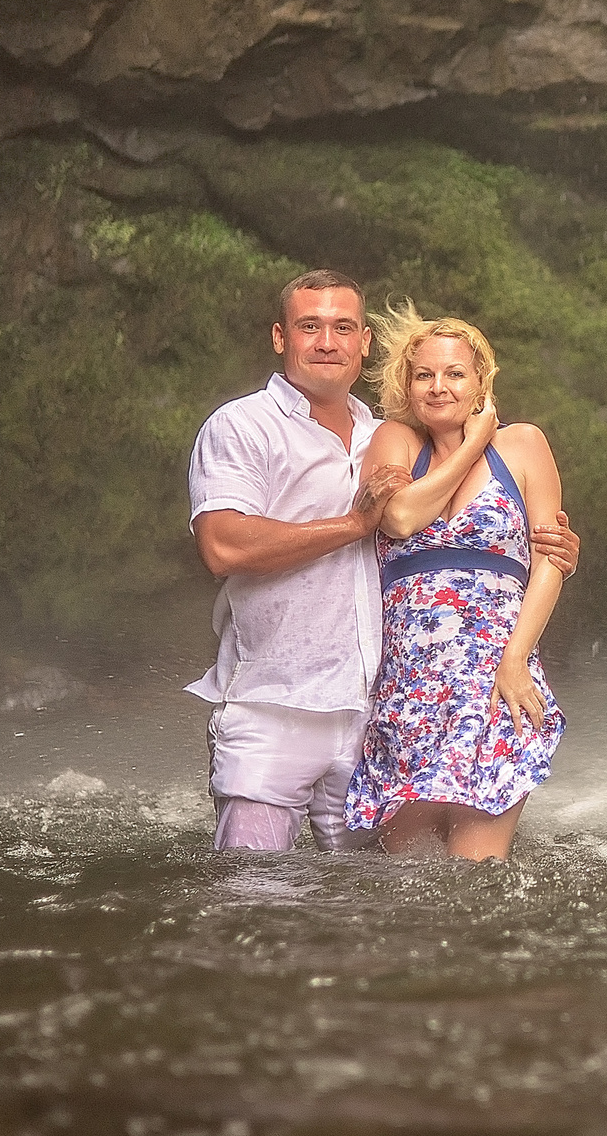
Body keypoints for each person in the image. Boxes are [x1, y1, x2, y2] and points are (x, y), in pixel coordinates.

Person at [186, 271, 577, 853]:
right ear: (279, 336)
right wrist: (354, 524)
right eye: (309, 326)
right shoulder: (247, 426)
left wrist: (554, 560)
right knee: (254, 886)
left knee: (380, 899)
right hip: (284, 702)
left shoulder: (378, 434)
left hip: (371, 702)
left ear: (363, 343)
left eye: (342, 327)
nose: (326, 341)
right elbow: (223, 546)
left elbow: (544, 547)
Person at [343, 305, 567, 860]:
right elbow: (398, 519)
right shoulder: (395, 441)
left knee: (476, 873)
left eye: (455, 374)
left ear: (480, 382)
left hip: (497, 676)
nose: (439, 387)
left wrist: (516, 660)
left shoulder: (523, 445)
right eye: (425, 375)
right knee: (408, 878)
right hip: (411, 681)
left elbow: (550, 561)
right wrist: (472, 442)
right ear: (406, 384)